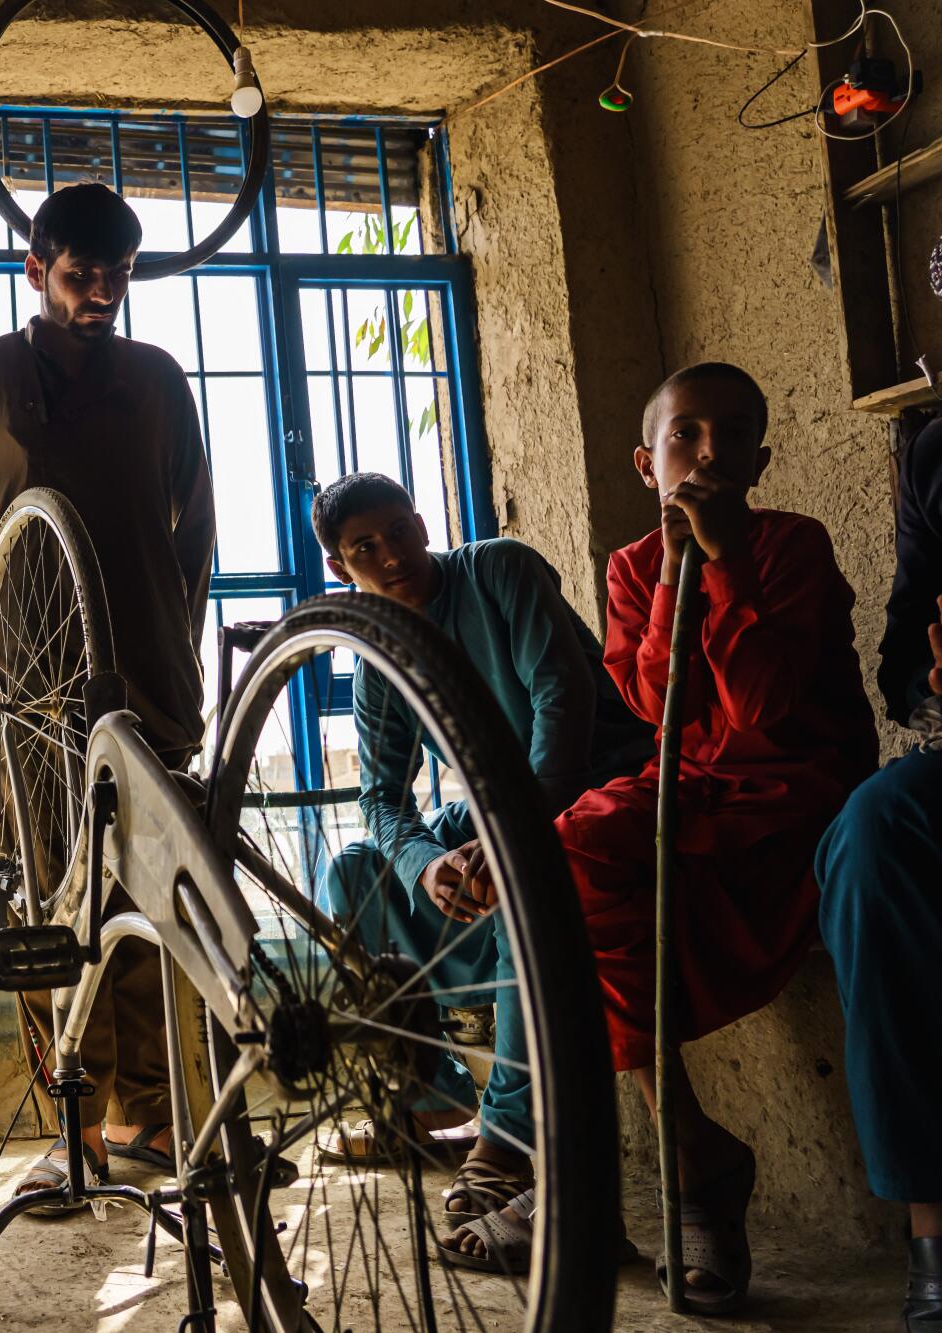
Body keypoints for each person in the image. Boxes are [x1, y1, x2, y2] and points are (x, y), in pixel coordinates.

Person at [0, 182, 215, 1210]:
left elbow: (191, 528)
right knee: (44, 896)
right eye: (79, 274)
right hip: (24, 683)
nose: (100, 293)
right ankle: (73, 1133)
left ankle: (147, 1117)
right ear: (35, 271)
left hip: (145, 672)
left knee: (146, 895)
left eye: (116, 275)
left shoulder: (157, 380)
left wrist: (174, 638)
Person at [546, 362, 874, 1313]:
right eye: (685, 434)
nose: (709, 452)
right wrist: (679, 567)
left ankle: (691, 1181)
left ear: (762, 460)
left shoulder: (791, 546)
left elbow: (764, 715)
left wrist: (725, 563)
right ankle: (692, 1146)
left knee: (604, 854)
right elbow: (656, 706)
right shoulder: (629, 568)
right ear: (645, 463)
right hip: (686, 788)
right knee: (563, 854)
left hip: (790, 798)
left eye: (734, 435)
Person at [308, 473, 652, 1249]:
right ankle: (434, 1099)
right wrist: (428, 859)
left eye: (400, 529)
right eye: (365, 546)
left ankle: (512, 1138)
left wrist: (501, 833)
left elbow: (563, 699)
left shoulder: (499, 568)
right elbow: (379, 800)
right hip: (503, 806)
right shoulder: (378, 659)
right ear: (341, 569)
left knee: (513, 881)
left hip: (602, 780)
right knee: (357, 872)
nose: (392, 553)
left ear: (422, 522)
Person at [814, 414, 942, 1331]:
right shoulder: (939, 456)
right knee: (873, 832)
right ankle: (934, 1233)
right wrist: (933, 683)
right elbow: (900, 665)